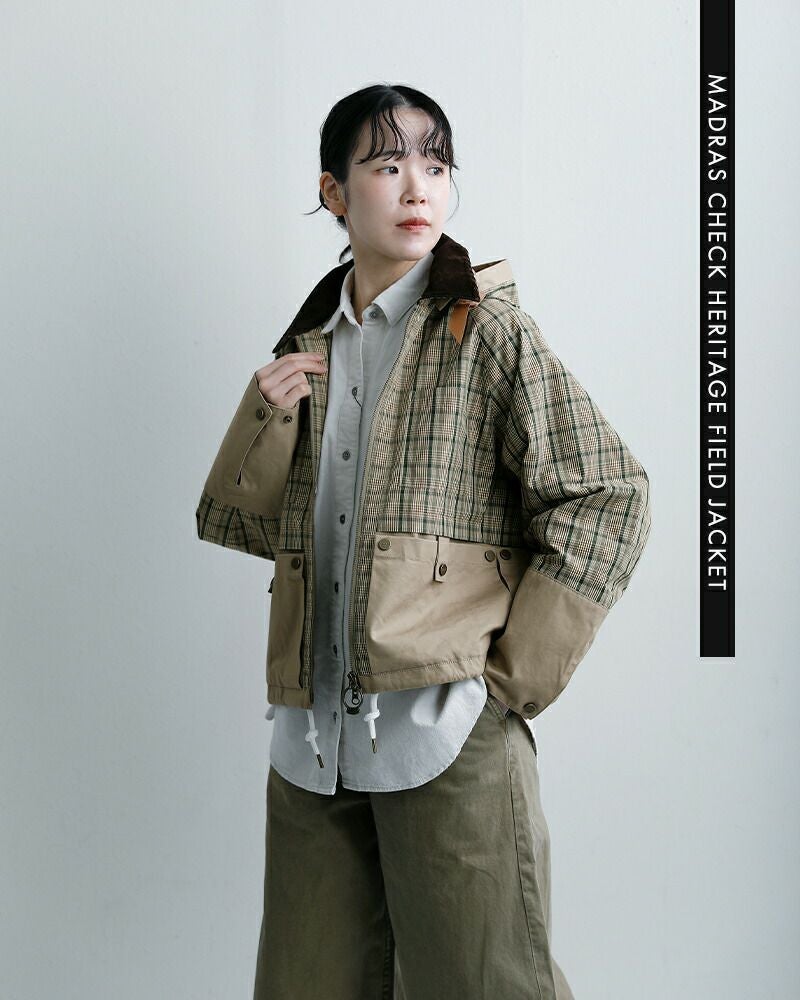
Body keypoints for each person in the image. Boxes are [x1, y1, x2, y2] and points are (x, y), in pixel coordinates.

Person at [196, 83, 652, 1000]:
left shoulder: (485, 331)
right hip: (313, 741)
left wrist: (506, 683)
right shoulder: (309, 343)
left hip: (445, 733)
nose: (418, 188)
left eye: (437, 166)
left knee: (484, 985)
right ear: (334, 192)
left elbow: (609, 493)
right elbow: (241, 527)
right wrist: (264, 418)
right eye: (388, 164)